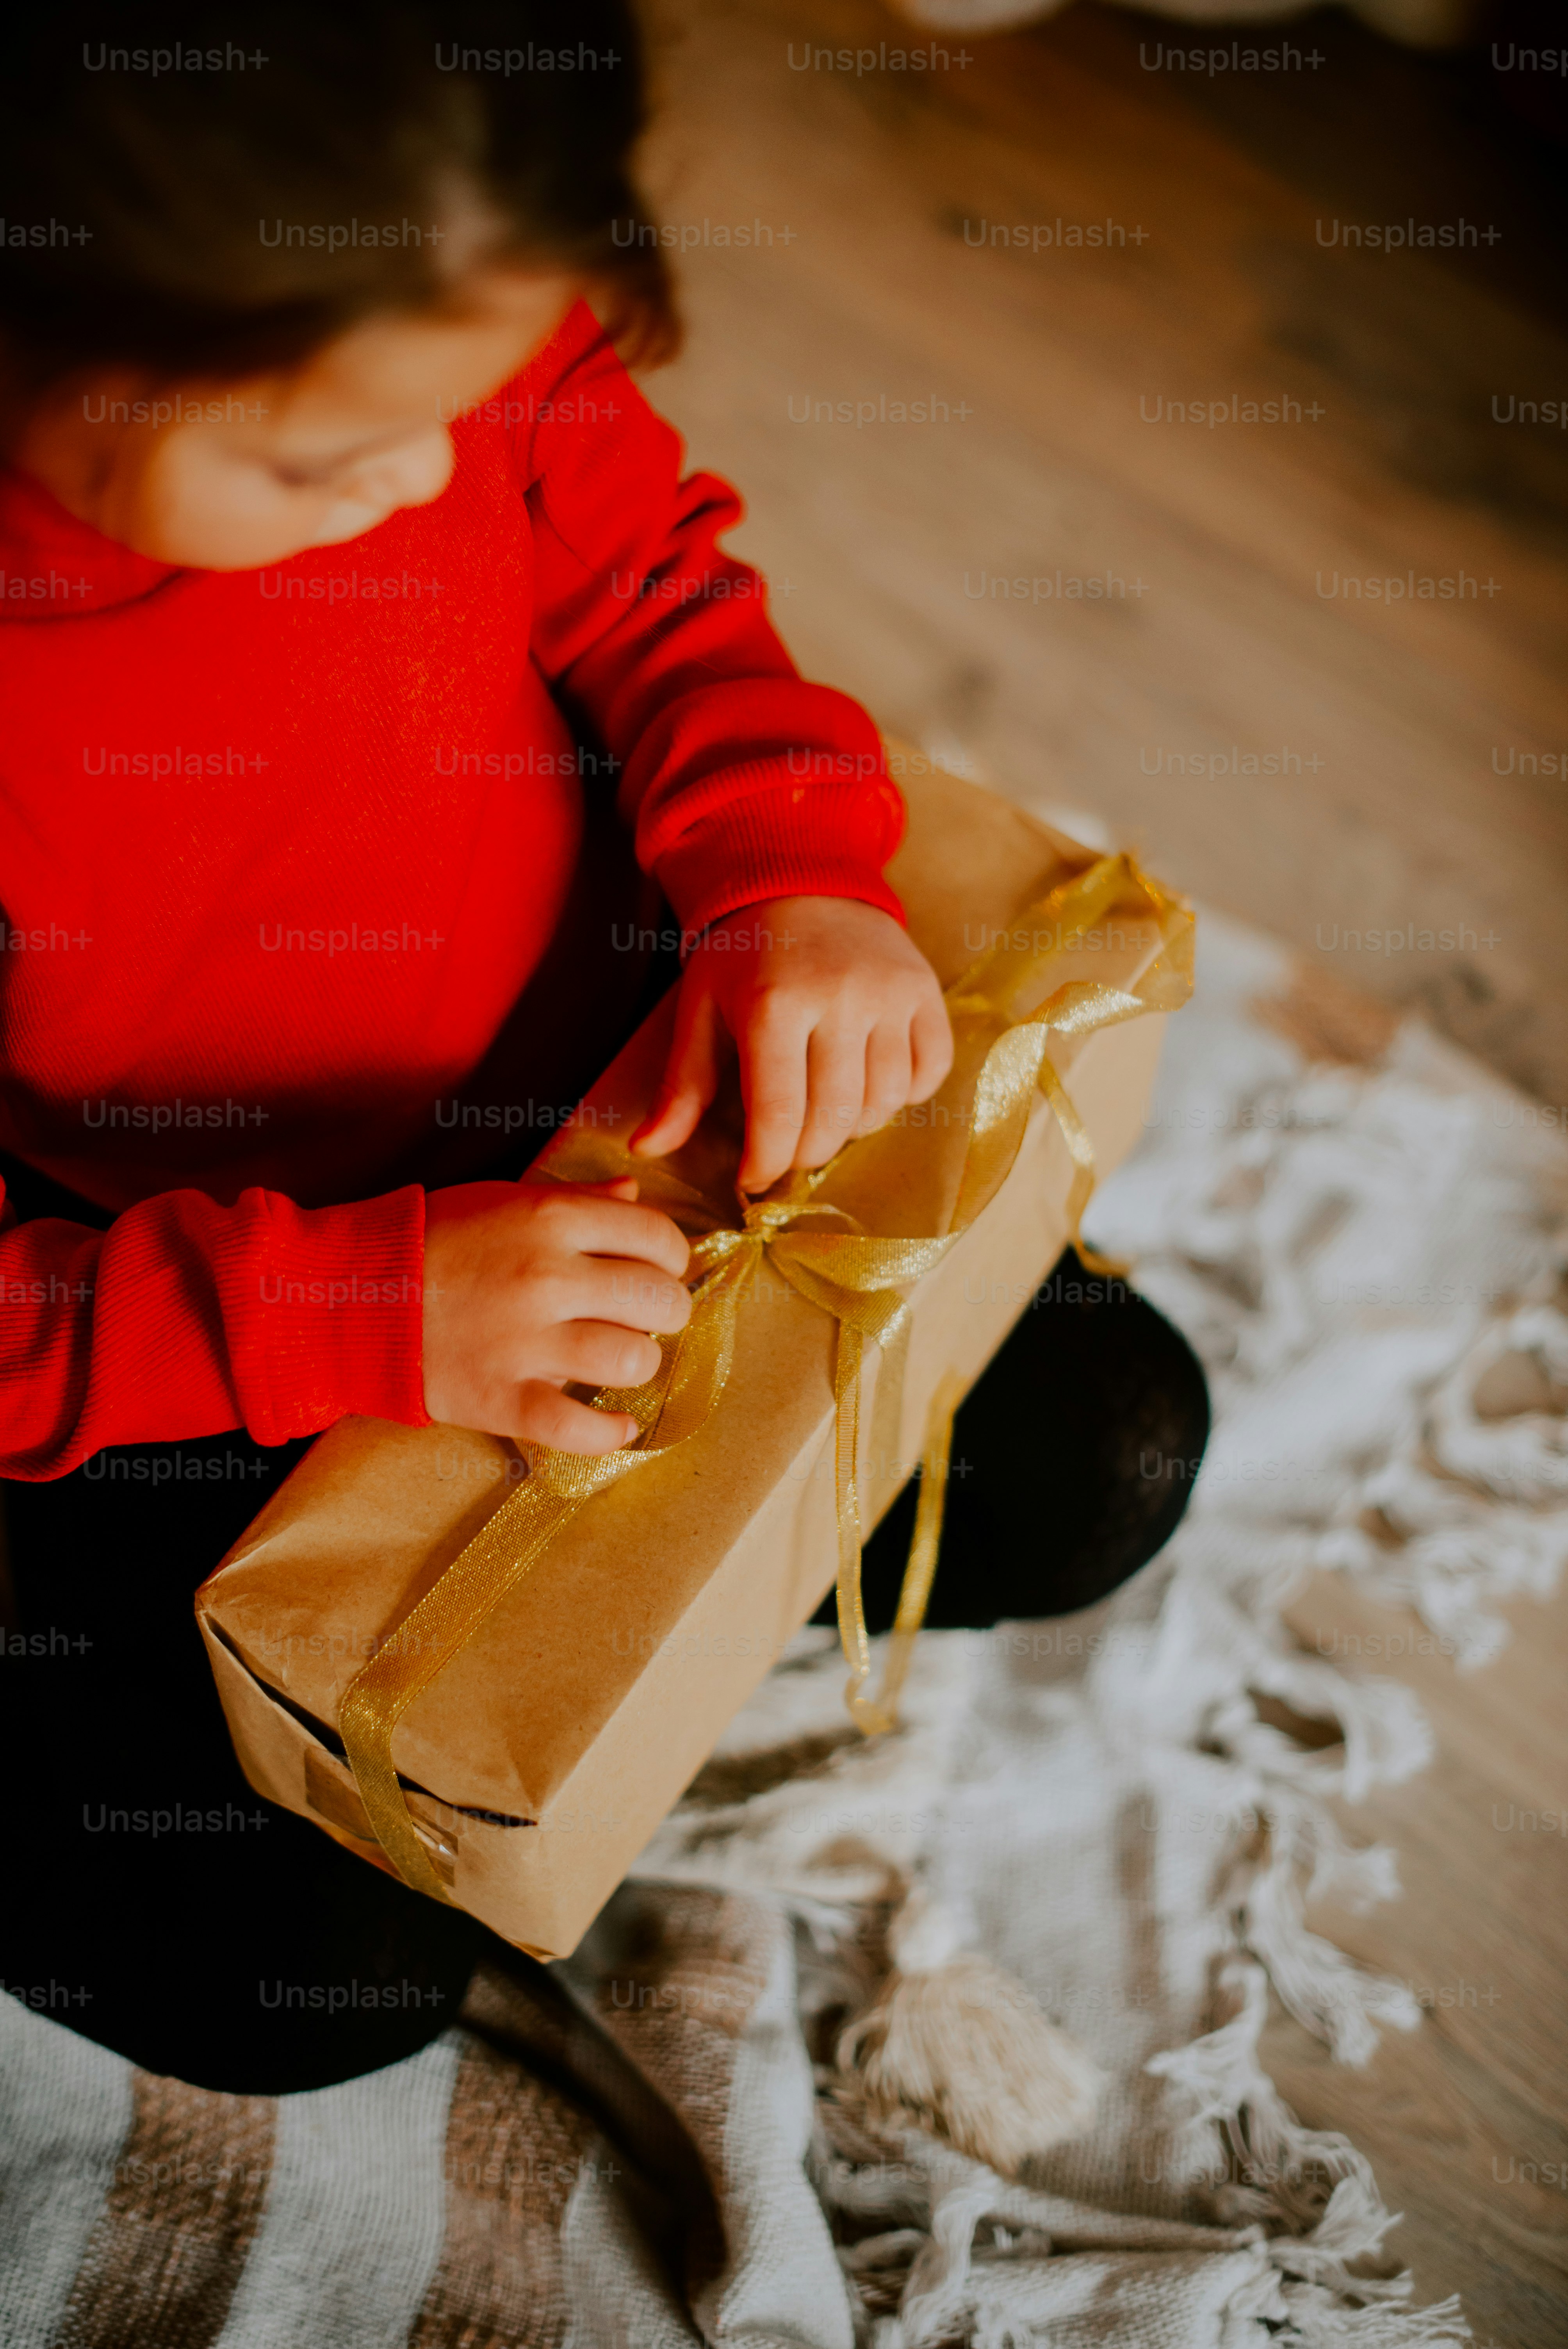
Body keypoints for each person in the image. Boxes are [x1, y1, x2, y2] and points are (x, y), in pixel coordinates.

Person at [0, 3, 953, 2091]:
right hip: (196, 1272)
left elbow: (638, 569)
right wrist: (358, 1312)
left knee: (1095, 1454)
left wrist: (791, 873)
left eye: (481, 400)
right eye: (328, 456)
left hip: (602, 1086)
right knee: (320, 1981)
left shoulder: (423, 273)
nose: (431, 484)